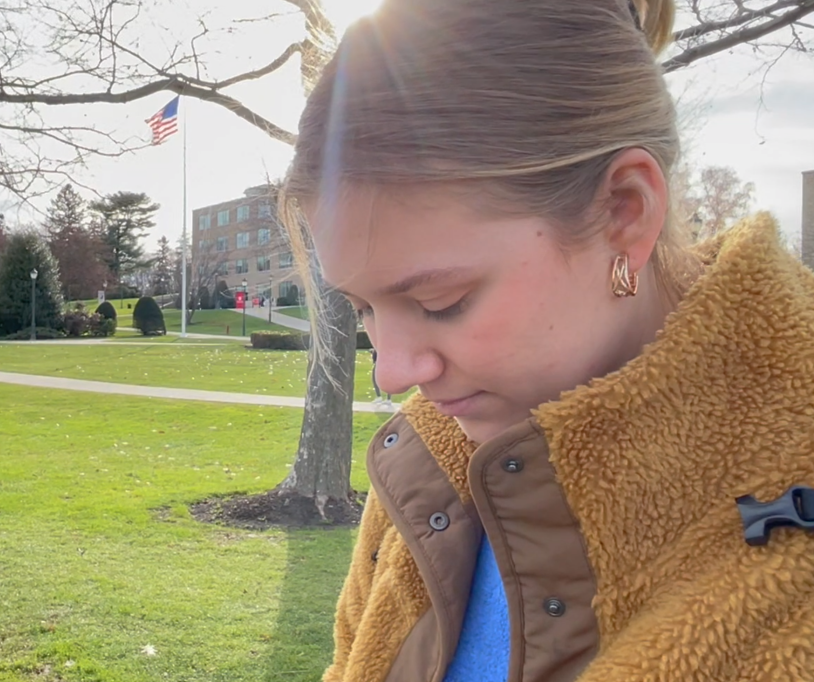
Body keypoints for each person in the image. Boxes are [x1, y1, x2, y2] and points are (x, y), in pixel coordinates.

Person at [278, 1, 814, 681]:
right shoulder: (425, 463)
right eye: (364, 310)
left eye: (441, 302)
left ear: (625, 211)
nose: (394, 372)